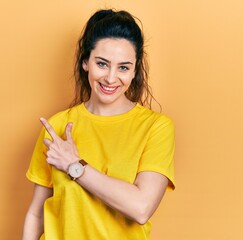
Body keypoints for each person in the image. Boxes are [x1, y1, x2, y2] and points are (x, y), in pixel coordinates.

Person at [22, 9, 175, 240]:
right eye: (102, 64)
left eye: (123, 67)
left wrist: (75, 166)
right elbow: (36, 214)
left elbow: (141, 208)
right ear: (86, 63)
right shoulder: (58, 126)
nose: (111, 78)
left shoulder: (155, 128)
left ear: (134, 71)